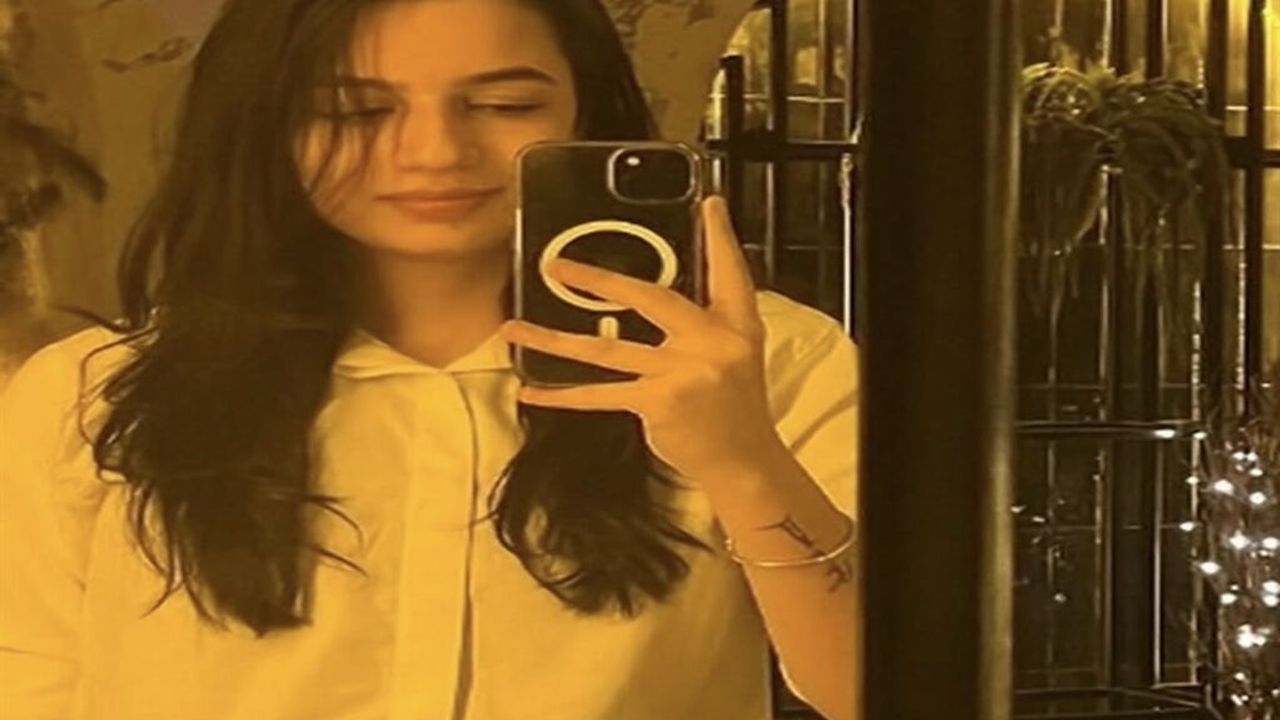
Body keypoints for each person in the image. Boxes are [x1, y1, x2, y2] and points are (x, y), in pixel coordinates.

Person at [0, 1, 860, 718]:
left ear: (583, 112)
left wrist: (743, 461)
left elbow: (878, 687)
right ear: (265, 126)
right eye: (356, 111)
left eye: (503, 104)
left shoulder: (764, 364)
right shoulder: (91, 396)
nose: (435, 152)